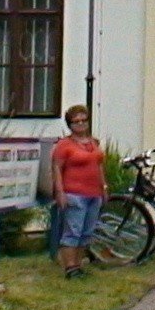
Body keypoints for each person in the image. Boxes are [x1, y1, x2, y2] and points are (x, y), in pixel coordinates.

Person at [51, 104, 107, 279]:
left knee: (86, 232)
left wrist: (104, 186)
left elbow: (98, 165)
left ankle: (78, 264)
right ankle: (70, 267)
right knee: (73, 231)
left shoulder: (93, 143)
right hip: (74, 194)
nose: (81, 124)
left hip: (94, 194)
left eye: (84, 120)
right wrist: (60, 192)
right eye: (76, 122)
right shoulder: (64, 145)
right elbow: (56, 168)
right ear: (70, 124)